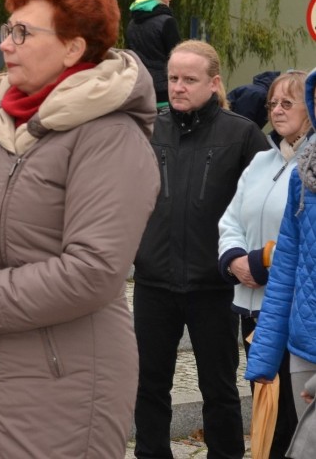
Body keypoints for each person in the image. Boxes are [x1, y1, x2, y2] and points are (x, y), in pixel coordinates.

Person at [0, 0, 160, 457]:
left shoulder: (110, 137)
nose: (5, 44)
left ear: (73, 47)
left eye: (23, 33)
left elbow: (94, 271)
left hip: (63, 388)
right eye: (8, 30)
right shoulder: (3, 125)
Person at [133, 39, 269, 458]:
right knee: (149, 385)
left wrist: (250, 257)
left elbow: (266, 199)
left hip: (214, 286)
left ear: (213, 83)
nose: (177, 87)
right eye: (172, 78)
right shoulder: (147, 129)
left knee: (219, 388)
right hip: (154, 282)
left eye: (189, 79)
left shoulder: (241, 133)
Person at [218, 70, 310, 458]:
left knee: (296, 417)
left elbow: (304, 239)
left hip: (296, 310)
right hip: (254, 307)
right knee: (265, 408)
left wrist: (261, 262)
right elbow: (230, 219)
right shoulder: (259, 160)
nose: (276, 110)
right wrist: (235, 259)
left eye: (287, 103)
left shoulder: (310, 167)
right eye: (272, 103)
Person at [246, 67, 316, 421]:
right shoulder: (305, 178)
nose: (276, 110)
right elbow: (288, 266)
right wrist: (264, 357)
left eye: (287, 102)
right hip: (306, 347)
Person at [126, 0, 181, 107]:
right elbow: (178, 58)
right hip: (163, 92)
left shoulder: (132, 23)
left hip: (139, 88)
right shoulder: (167, 22)